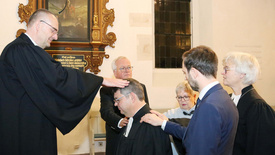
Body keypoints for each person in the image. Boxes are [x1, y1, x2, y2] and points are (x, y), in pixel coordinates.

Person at [0, 9, 128, 155]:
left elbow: (49, 80)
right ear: (38, 25)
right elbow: (57, 77)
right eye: (53, 30)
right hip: (23, 129)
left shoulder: (23, 50)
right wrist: (101, 80)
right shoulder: (21, 49)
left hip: (29, 124)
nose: (55, 37)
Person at [141, 45, 239, 155]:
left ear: (194, 72)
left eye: (184, 73)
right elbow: (194, 135)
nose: (185, 78)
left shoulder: (209, 106)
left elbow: (199, 149)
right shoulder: (222, 96)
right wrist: (164, 123)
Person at [221, 52, 275, 155]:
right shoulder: (228, 99)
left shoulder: (257, 107)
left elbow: (260, 149)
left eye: (226, 69)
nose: (222, 73)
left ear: (242, 73)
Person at [100, 56, 149, 155]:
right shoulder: (107, 89)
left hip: (138, 133)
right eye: (122, 68)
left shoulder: (141, 87)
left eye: (129, 67)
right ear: (114, 72)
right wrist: (119, 121)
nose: (127, 70)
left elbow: (145, 109)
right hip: (117, 133)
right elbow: (106, 111)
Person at [113, 78, 172, 155]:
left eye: (118, 100)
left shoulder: (152, 123)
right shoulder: (131, 119)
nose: (115, 104)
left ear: (132, 97)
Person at [163, 81, 196, 155]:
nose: (182, 100)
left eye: (186, 97)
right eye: (180, 97)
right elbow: (159, 118)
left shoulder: (201, 112)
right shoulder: (172, 113)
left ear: (194, 96)